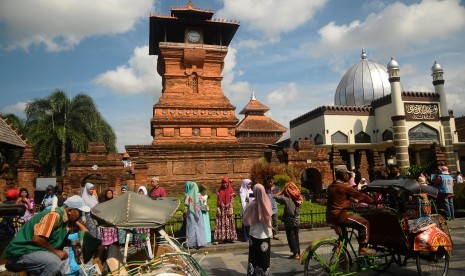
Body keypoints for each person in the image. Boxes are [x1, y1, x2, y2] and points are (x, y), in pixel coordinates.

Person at [3, 196, 90, 275]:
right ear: (70, 211)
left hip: (34, 252)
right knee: (53, 262)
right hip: (21, 252)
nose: (81, 216)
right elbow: (37, 239)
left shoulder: (66, 221)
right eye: (80, 212)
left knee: (63, 262)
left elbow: (59, 240)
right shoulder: (54, 215)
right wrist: (56, 252)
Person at [326, 165, 375, 255]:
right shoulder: (345, 187)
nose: (349, 176)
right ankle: (363, 248)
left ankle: (341, 258)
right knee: (364, 224)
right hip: (340, 216)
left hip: (330, 217)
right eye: (348, 174)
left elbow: (340, 198)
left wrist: (352, 200)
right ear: (344, 175)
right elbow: (360, 196)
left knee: (343, 236)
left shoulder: (331, 186)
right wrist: (373, 200)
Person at [242, 183, 273, 275]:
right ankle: (264, 273)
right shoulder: (267, 202)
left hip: (255, 234)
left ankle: (253, 273)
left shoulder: (253, 204)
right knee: (264, 256)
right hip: (265, 234)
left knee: (254, 255)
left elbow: (246, 219)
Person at [274, 182, 303, 260]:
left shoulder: (287, 199)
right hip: (297, 220)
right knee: (296, 237)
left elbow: (275, 196)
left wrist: (282, 191)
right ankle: (297, 253)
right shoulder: (298, 198)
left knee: (291, 237)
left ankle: (295, 254)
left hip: (289, 220)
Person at [213, 177, 237, 244]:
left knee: (228, 222)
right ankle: (221, 238)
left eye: (226, 183)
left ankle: (230, 237)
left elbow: (232, 201)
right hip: (221, 210)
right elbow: (218, 201)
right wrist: (218, 209)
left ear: (228, 183)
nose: (224, 184)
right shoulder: (219, 191)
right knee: (221, 223)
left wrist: (231, 208)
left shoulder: (231, 191)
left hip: (228, 210)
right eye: (223, 183)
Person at [184, 181, 207, 249]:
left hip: (190, 213)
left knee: (191, 227)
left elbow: (185, 203)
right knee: (199, 227)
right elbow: (202, 202)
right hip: (198, 213)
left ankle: (191, 243)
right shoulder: (199, 194)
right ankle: (200, 242)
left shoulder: (187, 195)